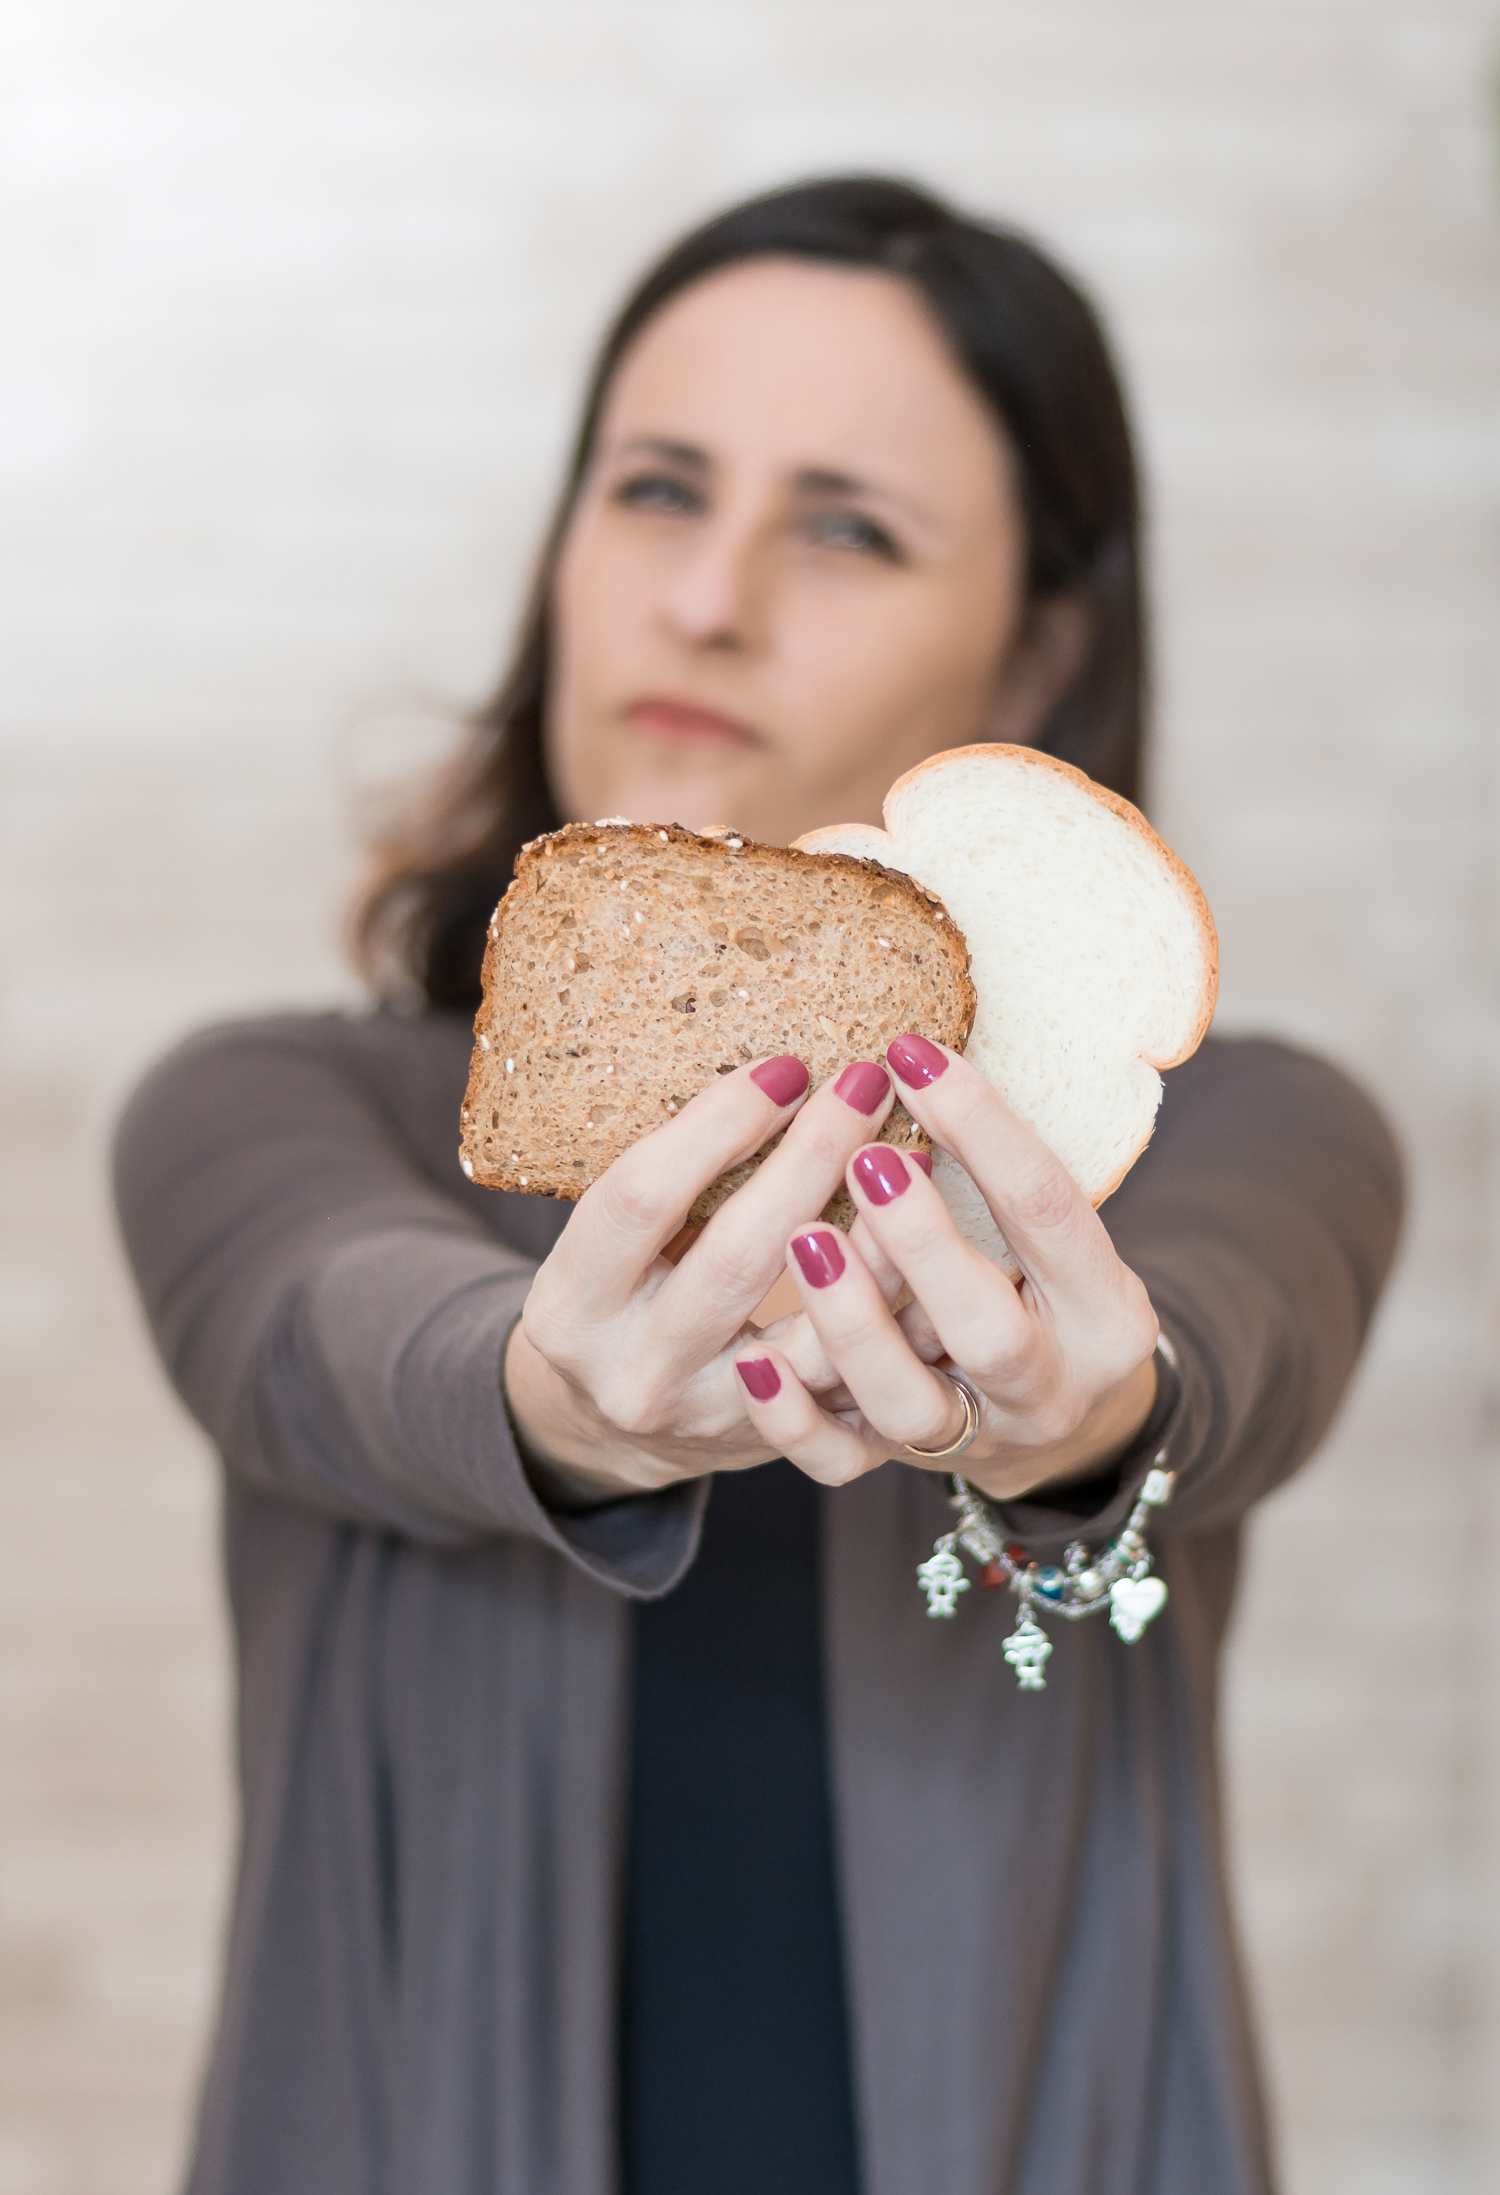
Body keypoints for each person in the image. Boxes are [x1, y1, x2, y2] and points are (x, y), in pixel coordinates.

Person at [114, 177, 1402, 2195]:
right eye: (655, 490)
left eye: (846, 527)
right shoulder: (272, 1107)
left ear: (1040, 652)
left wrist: (1095, 1423)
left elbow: (1232, 1342)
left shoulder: (1235, 1136)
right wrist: (554, 1403)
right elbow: (330, 1330)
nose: (708, 597)